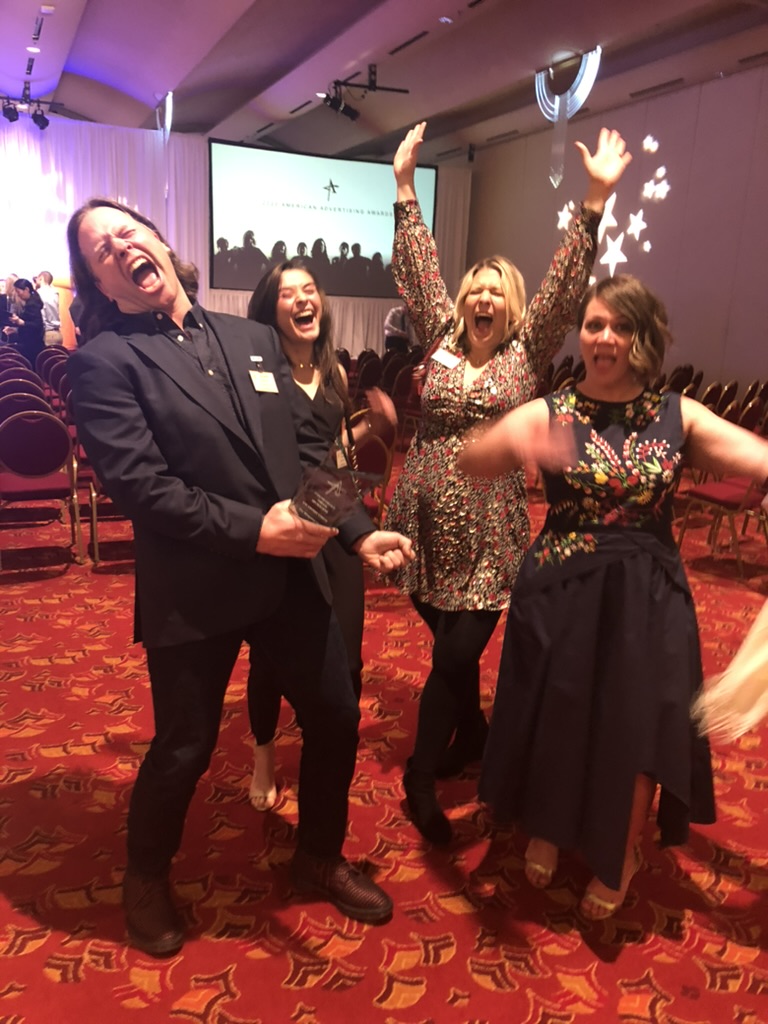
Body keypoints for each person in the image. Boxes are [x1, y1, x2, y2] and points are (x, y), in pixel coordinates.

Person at [65, 198, 414, 957]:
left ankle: (319, 855)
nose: (121, 248)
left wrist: (356, 531)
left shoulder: (251, 337)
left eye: (128, 232)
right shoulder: (104, 363)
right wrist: (256, 530)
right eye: (101, 252)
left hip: (288, 577)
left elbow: (308, 450)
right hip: (197, 584)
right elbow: (144, 490)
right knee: (185, 746)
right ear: (99, 286)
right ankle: (145, 877)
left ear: (160, 240)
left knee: (335, 715)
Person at [458, 274, 768, 919]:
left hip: (647, 598)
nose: (604, 338)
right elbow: (472, 459)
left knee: (637, 724)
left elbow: (756, 456)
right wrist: (513, 441)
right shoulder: (552, 409)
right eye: (595, 324)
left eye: (621, 327)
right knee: (558, 711)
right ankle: (547, 825)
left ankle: (621, 852)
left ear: (642, 337)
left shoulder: (677, 413)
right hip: (560, 588)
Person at [384, 121, 632, 845]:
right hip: (422, 521)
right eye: (476, 290)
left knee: (455, 655)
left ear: (512, 305)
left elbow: (564, 285)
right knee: (448, 646)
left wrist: (593, 201)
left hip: (489, 532)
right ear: (461, 301)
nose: (484, 299)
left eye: (497, 291)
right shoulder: (438, 335)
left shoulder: (526, 352)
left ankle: (420, 778)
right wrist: (404, 186)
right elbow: (419, 269)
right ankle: (475, 735)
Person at [245, 258, 398, 811]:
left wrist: (364, 430)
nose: (303, 299)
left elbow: (330, 455)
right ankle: (264, 754)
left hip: (332, 518)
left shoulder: (332, 370)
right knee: (270, 660)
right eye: (288, 293)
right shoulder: (258, 372)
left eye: (309, 289)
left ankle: (325, 751)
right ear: (271, 308)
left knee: (348, 660)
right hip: (283, 527)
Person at [2, 277, 45, 364]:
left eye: (18, 292)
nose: (18, 295)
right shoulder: (33, 300)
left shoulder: (32, 304)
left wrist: (22, 322)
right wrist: (15, 329)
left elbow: (37, 325)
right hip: (33, 343)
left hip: (32, 345)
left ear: (26, 289)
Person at [35, 270, 62, 345]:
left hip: (47, 332)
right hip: (57, 332)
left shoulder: (39, 293)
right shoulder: (55, 292)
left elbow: (42, 314)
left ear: (41, 278)